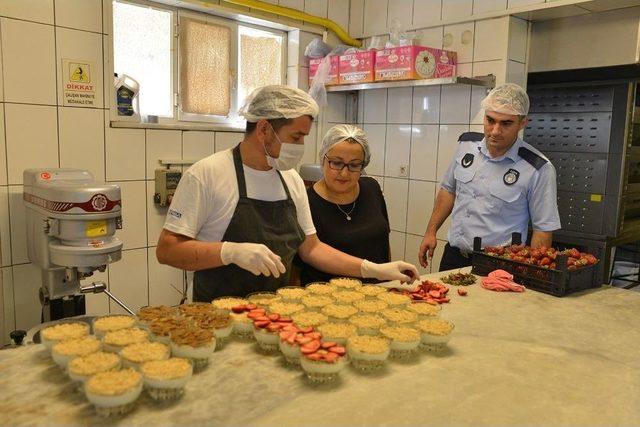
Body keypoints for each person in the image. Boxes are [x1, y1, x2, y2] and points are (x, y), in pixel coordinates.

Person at [156, 85, 418, 301]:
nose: (301, 146)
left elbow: (312, 249)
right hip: (215, 316)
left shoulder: (290, 179)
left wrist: (373, 269)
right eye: (295, 137)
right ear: (264, 129)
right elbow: (167, 250)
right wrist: (230, 252)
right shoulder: (207, 175)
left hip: (275, 315)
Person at [418, 83, 561, 272]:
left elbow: (543, 228)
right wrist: (431, 232)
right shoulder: (466, 145)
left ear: (522, 123)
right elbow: (449, 190)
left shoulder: (538, 168)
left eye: (506, 123)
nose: (495, 130)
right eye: (490, 120)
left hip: (500, 264)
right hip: (454, 256)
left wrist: (533, 273)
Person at [296, 124, 390, 284]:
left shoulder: (372, 188)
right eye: (337, 163)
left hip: (377, 296)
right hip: (326, 300)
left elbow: (383, 242)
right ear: (323, 159)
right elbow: (297, 268)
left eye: (354, 165)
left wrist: (389, 280)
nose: (344, 173)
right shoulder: (305, 202)